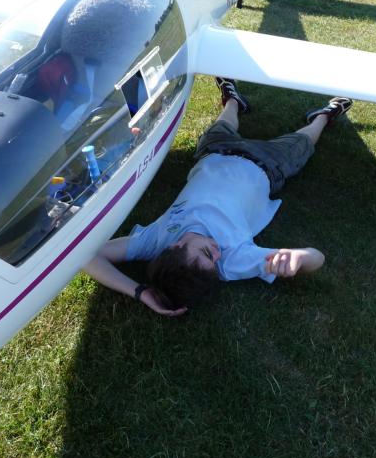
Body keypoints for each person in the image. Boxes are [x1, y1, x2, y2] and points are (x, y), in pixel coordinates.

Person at [83, 78, 352, 316]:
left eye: (205, 253)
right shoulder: (232, 260)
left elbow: (86, 257)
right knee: (304, 141)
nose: (217, 252)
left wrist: (141, 292)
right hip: (268, 165)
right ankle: (325, 115)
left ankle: (233, 99)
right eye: (214, 261)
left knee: (224, 122)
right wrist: (299, 258)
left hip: (215, 151)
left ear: (175, 246)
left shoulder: (155, 241)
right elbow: (317, 258)